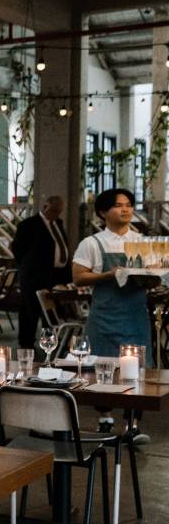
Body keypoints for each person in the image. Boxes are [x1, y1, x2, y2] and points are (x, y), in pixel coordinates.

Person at [72, 188, 153, 443]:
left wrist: (151, 279)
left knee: (138, 369)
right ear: (103, 212)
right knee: (103, 367)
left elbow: (154, 274)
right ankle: (104, 419)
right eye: (118, 205)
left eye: (128, 204)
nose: (125, 209)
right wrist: (108, 275)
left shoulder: (143, 242)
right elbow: (78, 277)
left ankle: (133, 424)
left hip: (135, 314)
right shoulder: (92, 243)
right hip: (104, 315)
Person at [11, 194, 71, 348]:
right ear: (45, 207)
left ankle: (50, 342)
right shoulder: (29, 224)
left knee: (51, 312)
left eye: (59, 211)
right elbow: (17, 249)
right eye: (54, 210)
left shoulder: (58, 223)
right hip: (34, 276)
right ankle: (26, 344)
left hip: (56, 275)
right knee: (30, 310)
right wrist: (29, 266)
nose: (56, 214)